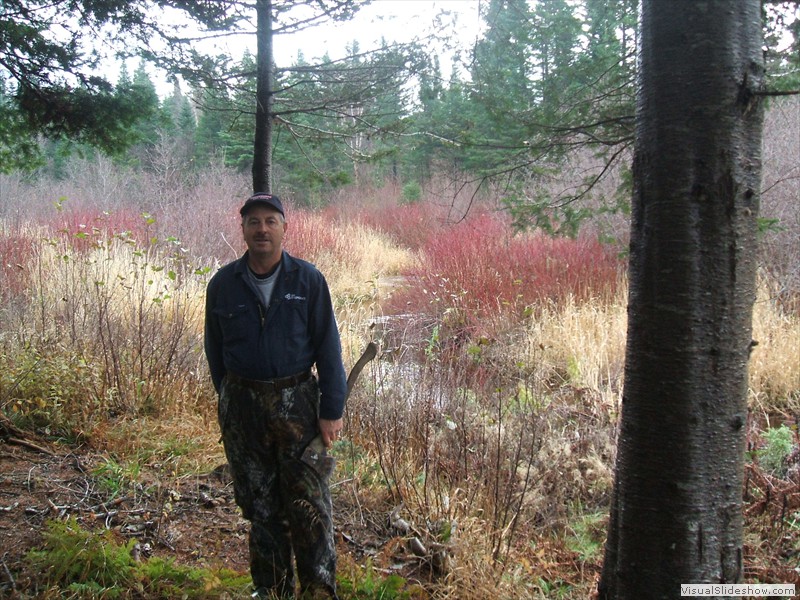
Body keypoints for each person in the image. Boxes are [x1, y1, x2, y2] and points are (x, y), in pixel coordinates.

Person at [204, 192, 348, 599]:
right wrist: (232, 401)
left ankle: (319, 591)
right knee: (261, 509)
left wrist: (331, 409)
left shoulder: (307, 280)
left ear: (285, 227)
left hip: (299, 406)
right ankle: (272, 591)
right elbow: (215, 351)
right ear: (244, 229)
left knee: (310, 507)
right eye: (253, 222)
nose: (262, 229)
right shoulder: (223, 285)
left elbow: (329, 349)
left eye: (270, 221)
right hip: (243, 410)